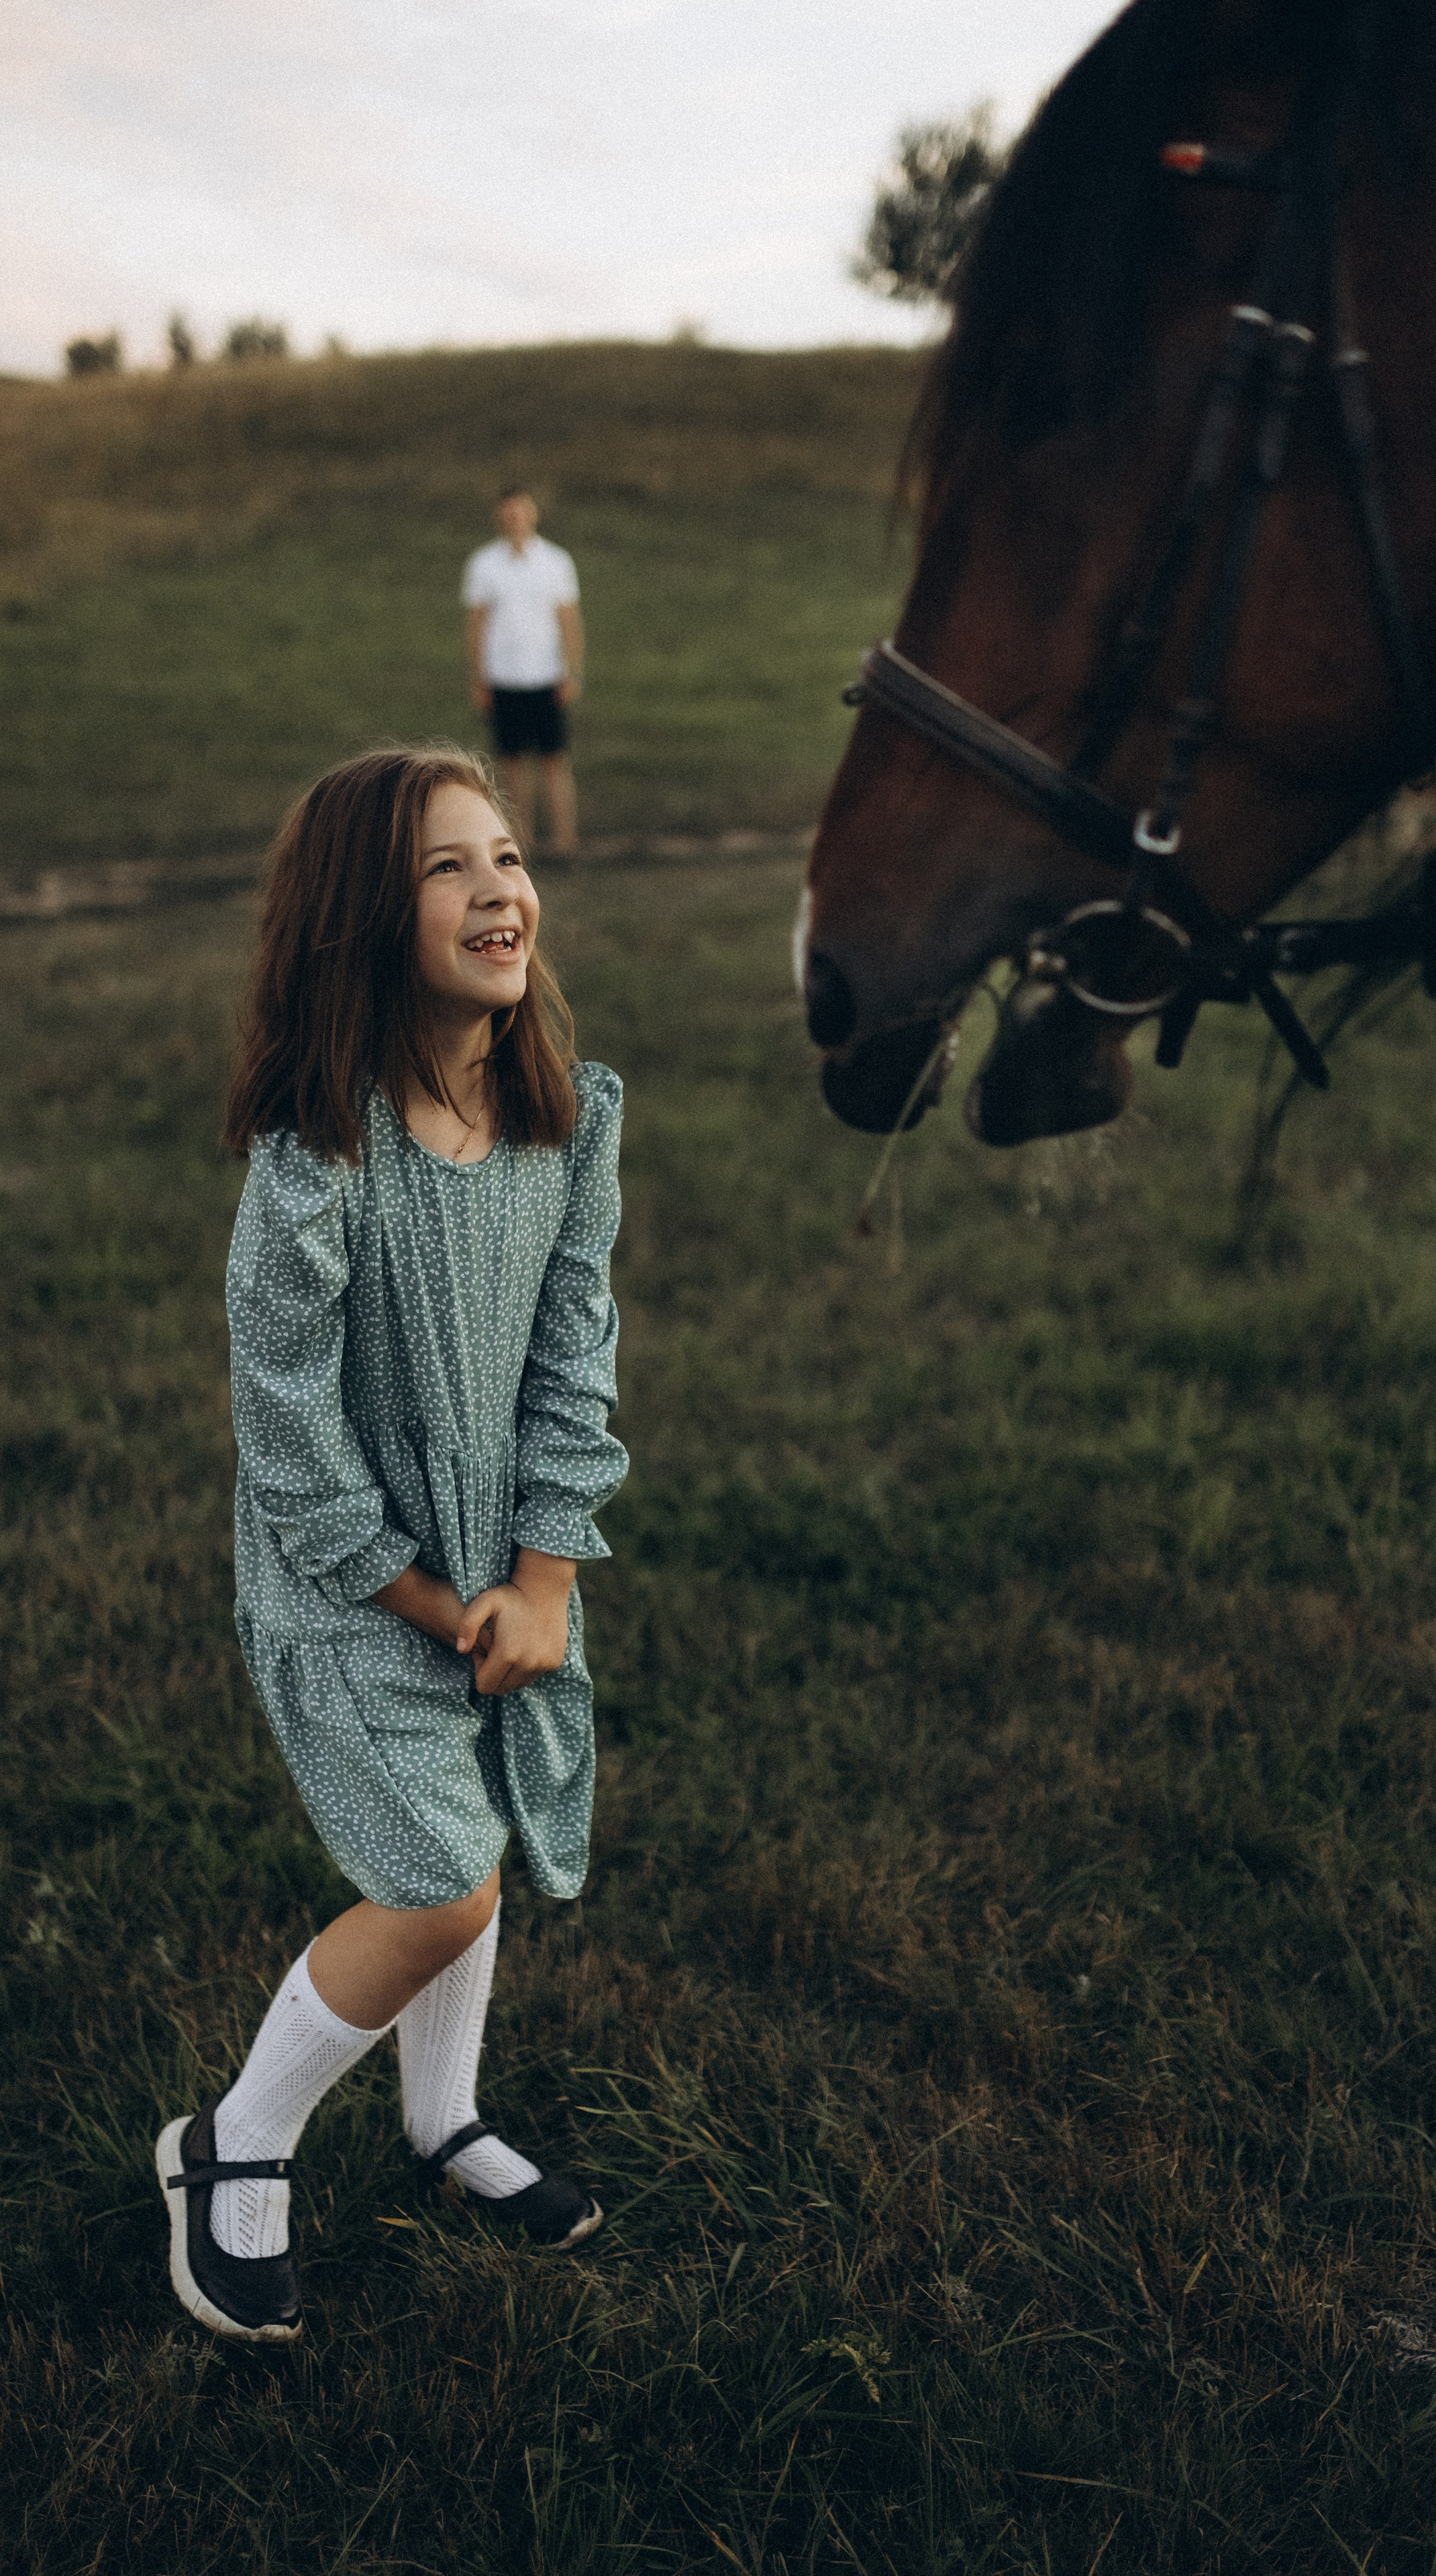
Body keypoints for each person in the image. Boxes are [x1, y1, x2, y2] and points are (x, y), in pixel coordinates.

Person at [156, 743, 627, 2343]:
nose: (501, 886)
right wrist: (444, 1605)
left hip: (502, 1573)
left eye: (506, 854)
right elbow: (291, 1448)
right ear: (365, 914)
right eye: (449, 866)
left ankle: (444, 2116)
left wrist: (542, 1582)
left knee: (475, 1834)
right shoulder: (319, 1157)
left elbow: (575, 1362)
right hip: (348, 1582)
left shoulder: (566, 1120)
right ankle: (235, 2140)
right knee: (438, 1881)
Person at [462, 489, 584, 859]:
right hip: (504, 678)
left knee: (553, 759)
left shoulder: (555, 562)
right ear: (501, 517)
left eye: (521, 513)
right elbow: (477, 624)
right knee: (511, 763)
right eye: (509, 514)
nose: (515, 520)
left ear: (532, 515)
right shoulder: (484, 564)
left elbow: (569, 620)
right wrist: (478, 677)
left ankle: (566, 841)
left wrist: (573, 671)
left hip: (546, 676)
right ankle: (520, 842)